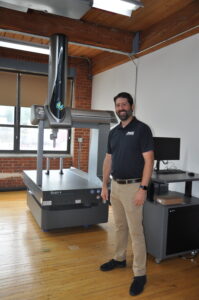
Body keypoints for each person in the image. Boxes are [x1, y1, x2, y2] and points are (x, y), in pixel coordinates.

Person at [100, 92, 154, 296]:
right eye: (117, 105)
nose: (121, 108)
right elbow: (108, 160)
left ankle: (140, 274)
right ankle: (119, 258)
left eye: (124, 104)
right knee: (120, 226)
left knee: (135, 231)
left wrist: (143, 188)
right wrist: (104, 185)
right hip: (116, 186)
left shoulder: (142, 129)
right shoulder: (113, 132)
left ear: (132, 106)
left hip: (133, 187)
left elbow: (149, 161)